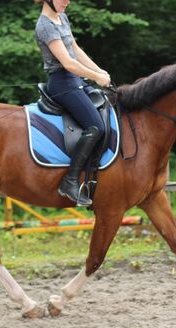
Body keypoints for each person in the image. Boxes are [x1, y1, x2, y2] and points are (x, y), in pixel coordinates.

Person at [34, 0, 111, 207]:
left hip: (75, 80)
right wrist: (95, 76)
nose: (67, 1)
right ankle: (69, 181)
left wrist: (99, 70)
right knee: (95, 126)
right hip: (62, 84)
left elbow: (75, 50)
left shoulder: (62, 18)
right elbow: (67, 63)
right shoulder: (45, 25)